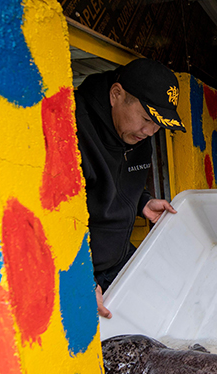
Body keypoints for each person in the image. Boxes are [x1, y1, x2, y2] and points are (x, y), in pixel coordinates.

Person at [74, 58, 186, 319]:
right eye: (146, 119)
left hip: (120, 257)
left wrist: (142, 202)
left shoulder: (134, 134)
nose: (149, 131)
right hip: (85, 273)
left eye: (159, 124)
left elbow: (118, 182)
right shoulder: (72, 130)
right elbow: (53, 221)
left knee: (170, 302)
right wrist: (77, 281)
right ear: (116, 95)